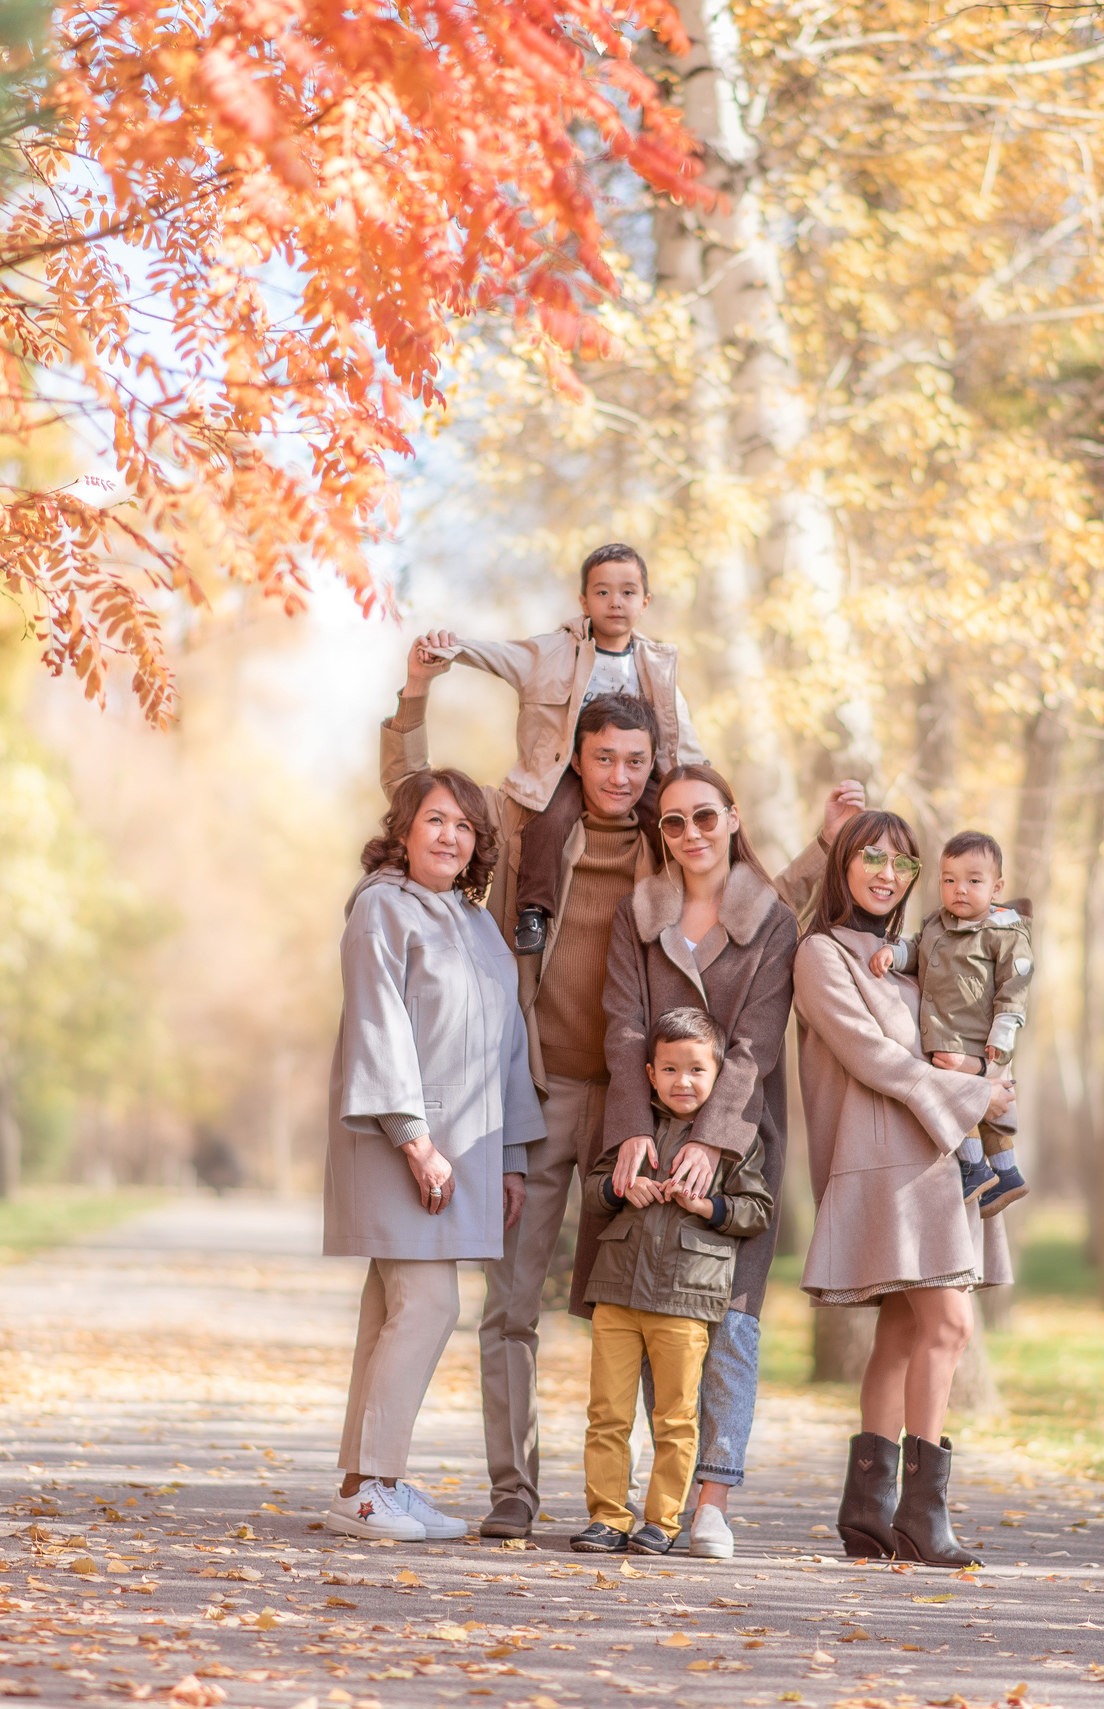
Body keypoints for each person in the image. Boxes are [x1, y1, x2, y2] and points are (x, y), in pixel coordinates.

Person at [380, 648, 660, 1540]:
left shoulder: (672, 835)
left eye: (635, 760)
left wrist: (829, 844)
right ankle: (515, 1491)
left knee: (642, 1308)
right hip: (537, 1095)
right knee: (510, 1308)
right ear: (577, 755)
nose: (619, 775)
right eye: (603, 757)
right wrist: (414, 696)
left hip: (634, 1106)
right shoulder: (526, 821)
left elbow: (757, 898)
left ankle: (640, 1502)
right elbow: (415, 794)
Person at [586, 763, 803, 1559]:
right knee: (650, 1312)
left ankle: (712, 1502)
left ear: (733, 817)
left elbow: (756, 1041)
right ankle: (651, 1506)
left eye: (705, 816)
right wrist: (630, 1126)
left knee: (731, 1323)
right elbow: (623, 1022)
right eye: (673, 821)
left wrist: (713, 1138)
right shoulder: (639, 913)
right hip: (644, 1130)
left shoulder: (772, 920)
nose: (690, 834)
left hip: (740, 1135)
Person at [323, 766, 546, 1543]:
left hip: (463, 1151)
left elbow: (510, 1042)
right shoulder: (381, 909)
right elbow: (378, 1029)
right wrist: (416, 1142)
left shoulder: (478, 924)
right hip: (400, 1146)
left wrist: (511, 1155)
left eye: (465, 825)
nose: (451, 836)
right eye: (435, 820)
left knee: (389, 1310)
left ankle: (368, 1483)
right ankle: (370, 1488)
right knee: (428, 1304)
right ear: (404, 830)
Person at [794, 810, 1015, 1568]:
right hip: (885, 1164)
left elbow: (952, 1035)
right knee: (948, 1326)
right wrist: (968, 1096)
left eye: (902, 863)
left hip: (935, 1156)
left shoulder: (916, 956)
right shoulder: (821, 953)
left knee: (900, 1333)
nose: (888, 874)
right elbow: (873, 1058)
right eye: (872, 858)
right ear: (844, 865)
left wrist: (984, 1077)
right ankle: (923, 1515)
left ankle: (869, 1512)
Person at [412, 542, 703, 955]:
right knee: (549, 819)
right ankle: (533, 910)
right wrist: (451, 648)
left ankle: (688, 907)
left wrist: (702, 779)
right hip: (565, 768)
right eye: (602, 592)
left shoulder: (656, 664)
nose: (615, 602)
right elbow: (500, 654)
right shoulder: (551, 652)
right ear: (584, 602)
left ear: (645, 602)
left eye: (627, 592)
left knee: (672, 818)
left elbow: (679, 727)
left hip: (632, 770)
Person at [572, 1009, 773, 1556]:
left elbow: (757, 1210)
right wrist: (621, 1189)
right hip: (617, 1293)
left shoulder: (735, 1140)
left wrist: (707, 1205)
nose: (683, 1081)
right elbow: (592, 1191)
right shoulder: (630, 1131)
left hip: (688, 1300)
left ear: (718, 1075)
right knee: (607, 1414)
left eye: (696, 1070)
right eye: (669, 1069)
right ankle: (607, 1517)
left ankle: (662, 1521)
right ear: (650, 1073)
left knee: (676, 1417)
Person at [866, 830, 1035, 1214]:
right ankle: (1004, 1175)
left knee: (966, 1102)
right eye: (949, 880)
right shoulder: (936, 924)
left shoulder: (1003, 932)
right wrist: (895, 954)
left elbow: (1015, 986)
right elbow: (917, 950)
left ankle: (980, 1167)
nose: (960, 889)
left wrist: (1001, 1037)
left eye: (973, 881)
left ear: (996, 888)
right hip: (945, 1035)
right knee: (965, 1103)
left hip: (982, 1041)